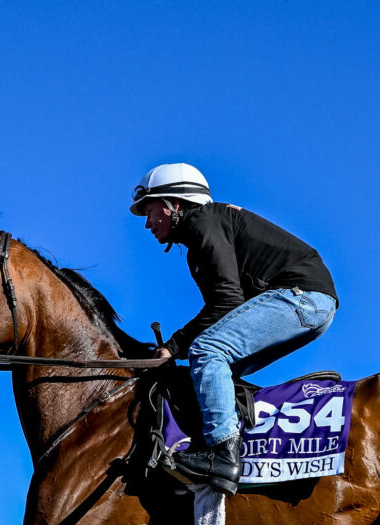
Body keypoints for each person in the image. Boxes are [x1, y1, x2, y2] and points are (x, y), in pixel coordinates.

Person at [131, 163, 338, 493]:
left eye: (151, 210)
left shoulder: (203, 222)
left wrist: (173, 346)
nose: (147, 223)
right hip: (310, 302)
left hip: (302, 299)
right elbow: (227, 309)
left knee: (208, 351)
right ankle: (242, 444)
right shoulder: (206, 230)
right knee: (214, 369)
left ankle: (222, 455)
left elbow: (224, 303)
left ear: (175, 204)